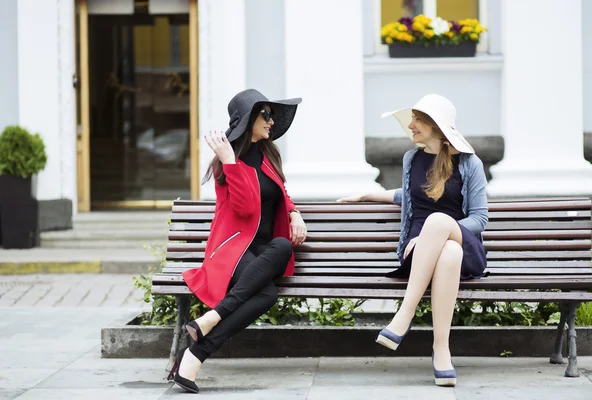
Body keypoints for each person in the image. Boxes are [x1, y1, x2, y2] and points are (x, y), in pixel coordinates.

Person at [339, 94, 488, 387]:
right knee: (447, 254)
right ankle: (441, 350)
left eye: (417, 119)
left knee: (439, 226)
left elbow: (479, 219)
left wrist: (438, 229)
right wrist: (368, 194)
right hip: (420, 254)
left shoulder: (470, 164)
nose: (411, 125)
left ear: (435, 125)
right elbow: (408, 195)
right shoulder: (412, 159)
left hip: (465, 246)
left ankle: (404, 315)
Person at [169, 89, 307, 393]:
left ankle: (205, 331)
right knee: (266, 295)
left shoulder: (270, 154)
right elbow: (245, 207)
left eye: (272, 115)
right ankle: (197, 351)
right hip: (233, 248)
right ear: (249, 120)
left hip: (263, 250)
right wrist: (230, 161)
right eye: (266, 114)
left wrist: (295, 212)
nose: (271, 121)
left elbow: (280, 192)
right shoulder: (225, 163)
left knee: (282, 246)